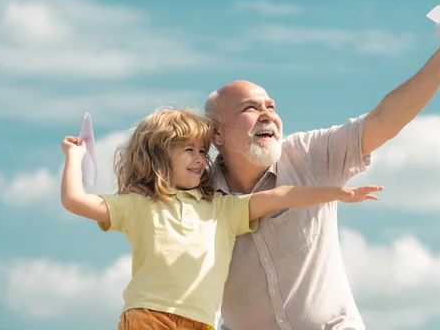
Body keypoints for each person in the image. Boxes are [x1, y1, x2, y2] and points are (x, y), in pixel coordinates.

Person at [200, 13, 440, 330]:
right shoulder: (194, 193)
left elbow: (383, 120)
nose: (268, 115)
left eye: (271, 106)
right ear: (217, 135)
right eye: (250, 108)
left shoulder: (309, 155)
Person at [60, 108, 382, 330]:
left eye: (203, 151)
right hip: (148, 317)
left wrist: (336, 192)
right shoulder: (140, 203)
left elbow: (279, 196)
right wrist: (74, 158)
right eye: (188, 149)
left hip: (203, 323)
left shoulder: (222, 209)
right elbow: (75, 200)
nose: (200, 159)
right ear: (158, 153)